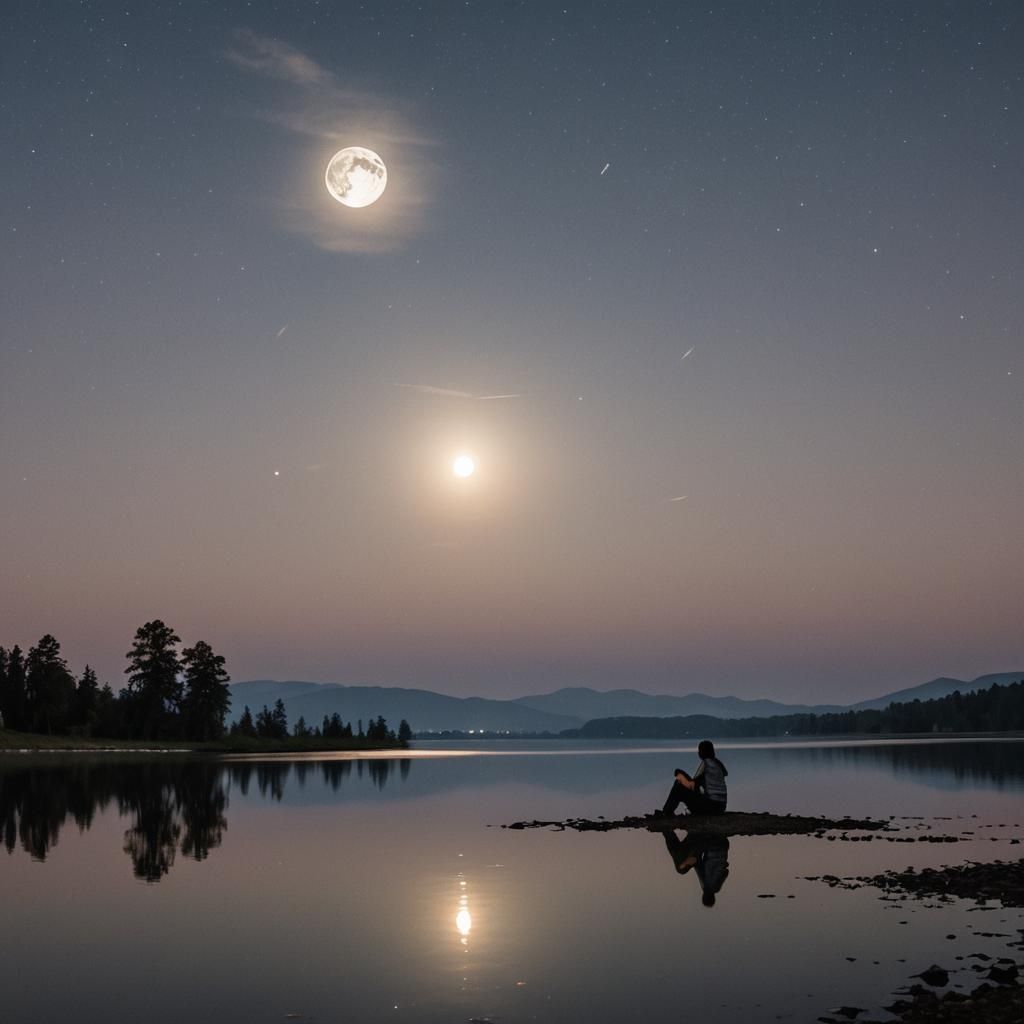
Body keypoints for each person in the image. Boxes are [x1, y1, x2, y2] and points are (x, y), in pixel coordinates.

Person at [659, 739, 728, 816]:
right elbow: (697, 784)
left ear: (701, 753)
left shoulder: (706, 764)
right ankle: (667, 811)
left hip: (711, 806)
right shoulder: (717, 764)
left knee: (678, 785)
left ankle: (667, 812)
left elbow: (692, 785)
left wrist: (680, 775)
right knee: (681, 780)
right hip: (721, 806)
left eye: (700, 751)